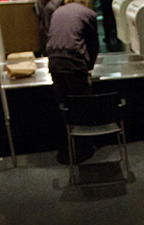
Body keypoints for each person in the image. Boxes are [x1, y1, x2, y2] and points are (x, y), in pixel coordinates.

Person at [46, 0, 99, 164]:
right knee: (82, 105)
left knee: (65, 105)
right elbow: (93, 44)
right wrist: (89, 66)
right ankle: (84, 148)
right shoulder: (89, 14)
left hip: (54, 62)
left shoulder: (57, 11)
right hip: (74, 63)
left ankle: (70, 143)